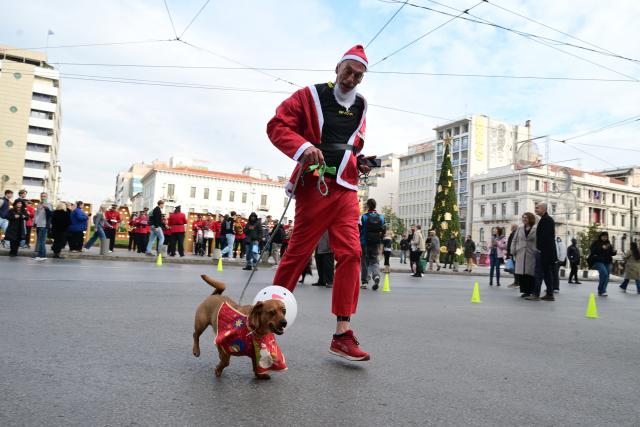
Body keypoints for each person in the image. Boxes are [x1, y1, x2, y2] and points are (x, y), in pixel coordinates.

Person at [267, 44, 373, 361]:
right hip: (316, 184)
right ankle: (265, 328)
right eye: (349, 71)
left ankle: (342, 334)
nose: (352, 78)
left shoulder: (362, 105)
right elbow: (276, 126)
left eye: (359, 75)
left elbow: (350, 145)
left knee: (352, 253)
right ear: (337, 68)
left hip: (346, 188)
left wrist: (361, 160)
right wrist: (302, 148)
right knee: (297, 254)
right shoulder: (309, 95)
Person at [534, 202, 558, 301]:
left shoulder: (547, 220)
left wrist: (540, 249)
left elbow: (546, 238)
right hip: (546, 251)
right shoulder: (544, 219)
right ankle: (549, 293)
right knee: (547, 273)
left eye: (537, 208)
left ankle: (546, 294)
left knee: (544, 273)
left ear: (543, 209)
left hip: (546, 252)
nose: (535, 209)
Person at [511, 213, 538, 300]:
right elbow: (514, 240)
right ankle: (525, 291)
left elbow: (538, 241)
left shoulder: (535, 228)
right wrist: (513, 250)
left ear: (530, 218)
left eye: (526, 218)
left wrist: (537, 251)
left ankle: (530, 291)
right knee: (522, 273)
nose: (524, 219)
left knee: (530, 273)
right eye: (523, 218)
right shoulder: (519, 228)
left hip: (531, 253)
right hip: (521, 252)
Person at [360, 198, 384, 289]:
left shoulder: (364, 217)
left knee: (365, 262)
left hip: (364, 242)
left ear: (368, 206)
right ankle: (376, 275)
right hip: (375, 242)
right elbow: (382, 229)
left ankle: (365, 282)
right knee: (374, 260)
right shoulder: (381, 217)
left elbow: (359, 229)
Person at [589, 231, 616, 296]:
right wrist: (602, 248)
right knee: (604, 273)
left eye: (606, 237)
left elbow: (610, 252)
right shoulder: (596, 242)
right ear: (601, 236)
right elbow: (593, 250)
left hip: (607, 261)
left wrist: (614, 252)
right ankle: (601, 290)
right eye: (604, 237)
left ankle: (602, 290)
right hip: (598, 261)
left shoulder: (608, 243)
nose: (605, 238)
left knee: (606, 276)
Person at [33, 192, 52, 260]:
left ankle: (42, 256)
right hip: (38, 224)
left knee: (42, 241)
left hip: (44, 225)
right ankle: (40, 255)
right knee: (39, 241)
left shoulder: (49, 204)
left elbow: (50, 214)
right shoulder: (39, 204)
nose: (43, 197)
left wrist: (46, 208)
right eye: (42, 196)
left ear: (47, 197)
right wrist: (34, 223)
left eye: (44, 196)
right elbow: (36, 214)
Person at [506, 223, 519, 288]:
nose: (511, 228)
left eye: (512, 227)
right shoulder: (515, 233)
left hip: (512, 253)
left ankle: (516, 282)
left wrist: (510, 253)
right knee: (515, 268)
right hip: (513, 253)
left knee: (515, 268)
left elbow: (511, 244)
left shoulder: (513, 234)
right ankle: (516, 281)